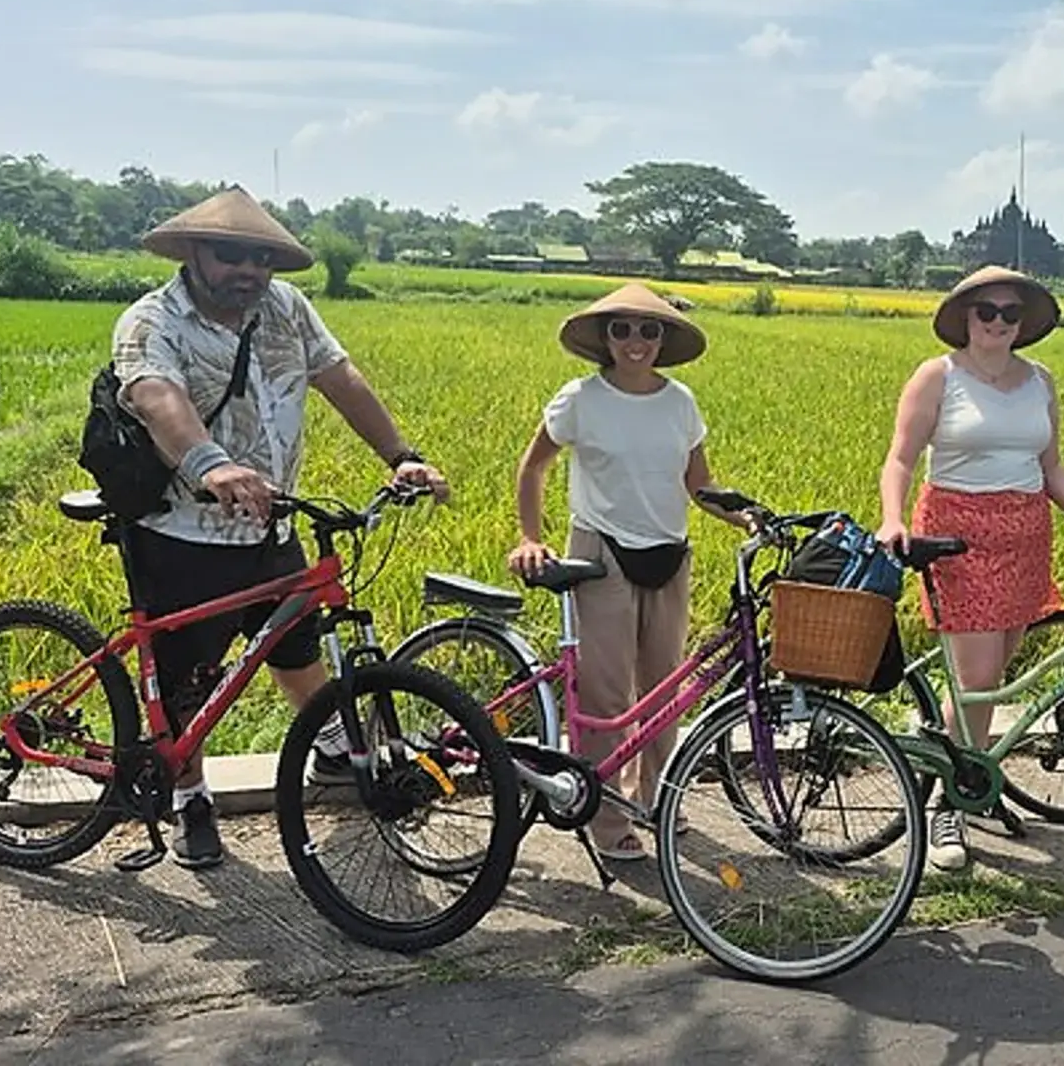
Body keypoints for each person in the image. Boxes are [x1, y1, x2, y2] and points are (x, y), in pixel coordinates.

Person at [112, 186, 449, 870]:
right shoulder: (153, 321)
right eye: (232, 254)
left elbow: (341, 378)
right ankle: (192, 798)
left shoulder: (287, 309)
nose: (249, 270)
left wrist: (401, 456)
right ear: (193, 254)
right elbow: (156, 397)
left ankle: (328, 745)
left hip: (273, 525)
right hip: (185, 533)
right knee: (188, 685)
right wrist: (213, 465)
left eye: (261, 258)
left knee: (297, 649)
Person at [875, 266, 1064, 871]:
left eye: (1011, 314)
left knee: (994, 676)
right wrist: (893, 519)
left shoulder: (1041, 381)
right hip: (957, 532)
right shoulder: (939, 376)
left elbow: (1051, 465)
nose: (999, 323)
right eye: (988, 312)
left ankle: (972, 777)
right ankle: (945, 808)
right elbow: (901, 458)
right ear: (966, 318)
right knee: (977, 679)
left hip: (1027, 532)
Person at [507, 282, 746, 862]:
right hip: (601, 553)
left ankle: (659, 798)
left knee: (666, 690)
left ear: (664, 339)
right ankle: (607, 816)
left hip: (670, 551)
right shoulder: (580, 399)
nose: (635, 341)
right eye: (622, 330)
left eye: (649, 330)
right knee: (607, 692)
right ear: (604, 338)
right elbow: (533, 468)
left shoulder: (680, 402)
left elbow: (699, 485)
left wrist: (743, 516)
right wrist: (530, 537)